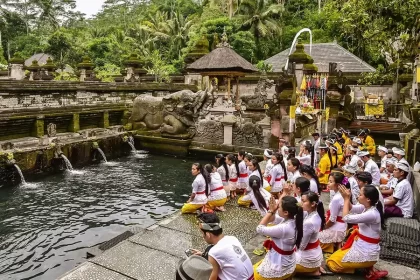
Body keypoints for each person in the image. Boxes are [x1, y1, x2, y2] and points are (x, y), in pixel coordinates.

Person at [327, 185, 388, 280]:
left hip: (366, 253)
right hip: (360, 246)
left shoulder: (372, 213)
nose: (357, 196)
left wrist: (347, 199)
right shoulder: (366, 207)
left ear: (367, 199)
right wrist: (346, 197)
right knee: (334, 257)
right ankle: (362, 266)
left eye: (360, 195)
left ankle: (359, 267)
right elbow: (351, 208)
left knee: (332, 263)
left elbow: (346, 218)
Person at [254, 194, 304, 280]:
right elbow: (273, 219)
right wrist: (272, 211)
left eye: (279, 207)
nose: (277, 208)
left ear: (286, 212)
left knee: (254, 274)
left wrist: (270, 211)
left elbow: (259, 229)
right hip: (288, 262)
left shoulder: (284, 228)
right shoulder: (294, 220)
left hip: (280, 266)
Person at [192, 213, 254, 280]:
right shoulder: (232, 238)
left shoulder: (213, 252)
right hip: (252, 277)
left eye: (202, 233)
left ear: (208, 234)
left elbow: (212, 278)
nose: (202, 236)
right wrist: (203, 255)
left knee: (204, 273)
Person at [295, 191, 325, 278]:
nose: (301, 203)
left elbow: (302, 246)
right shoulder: (317, 213)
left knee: (283, 264)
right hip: (315, 253)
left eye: (304, 201)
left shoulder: (309, 222)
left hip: (308, 258)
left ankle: (311, 272)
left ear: (312, 204)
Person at [319, 172, 347, 254]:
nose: (328, 183)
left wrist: (323, 227)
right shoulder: (342, 194)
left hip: (336, 229)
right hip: (342, 227)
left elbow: (332, 220)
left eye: (331, 182)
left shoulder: (337, 198)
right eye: (329, 181)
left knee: (313, 238)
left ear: (338, 184)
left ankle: (333, 245)